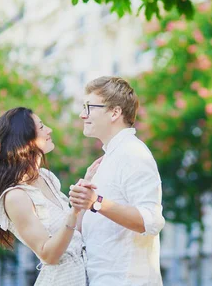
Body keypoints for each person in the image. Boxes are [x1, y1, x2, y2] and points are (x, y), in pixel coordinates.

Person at [0, 107, 101, 285]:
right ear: (25, 140)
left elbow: (75, 234)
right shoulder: (16, 196)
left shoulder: (46, 178)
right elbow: (48, 254)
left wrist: (83, 195)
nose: (49, 130)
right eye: (41, 127)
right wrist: (74, 212)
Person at [69, 76, 165, 286]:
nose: (82, 114)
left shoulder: (133, 153)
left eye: (89, 107)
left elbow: (151, 220)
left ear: (115, 112)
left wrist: (96, 202)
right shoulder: (106, 161)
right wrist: (81, 206)